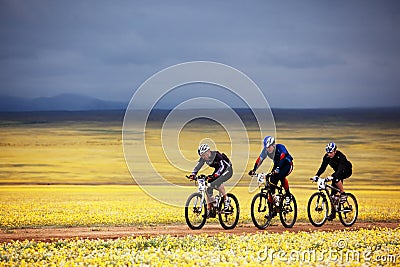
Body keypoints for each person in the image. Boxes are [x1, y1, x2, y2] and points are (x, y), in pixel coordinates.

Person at [248, 136, 293, 217]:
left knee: (281, 176)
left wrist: (278, 168)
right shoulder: (265, 151)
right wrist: (254, 170)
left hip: (287, 164)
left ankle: (288, 195)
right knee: (271, 185)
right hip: (277, 165)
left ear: (273, 145)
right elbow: (260, 160)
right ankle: (272, 211)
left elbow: (283, 157)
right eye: (267, 147)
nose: (268, 149)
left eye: (269, 147)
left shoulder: (280, 147)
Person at [188, 144, 233, 218]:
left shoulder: (216, 155)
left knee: (217, 182)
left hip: (227, 169)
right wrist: (193, 174)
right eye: (201, 155)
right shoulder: (203, 158)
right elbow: (198, 166)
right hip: (218, 170)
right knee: (208, 187)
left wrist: (215, 175)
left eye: (204, 155)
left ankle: (226, 199)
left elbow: (222, 166)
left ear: (208, 151)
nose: (203, 157)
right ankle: (210, 209)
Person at [312, 142, 352, 220]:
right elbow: (323, 167)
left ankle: (343, 194)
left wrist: (332, 177)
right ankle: (333, 214)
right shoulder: (327, 157)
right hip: (337, 171)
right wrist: (316, 176)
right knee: (332, 195)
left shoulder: (341, 156)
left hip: (346, 170)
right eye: (328, 152)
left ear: (335, 151)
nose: (329, 154)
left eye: (330, 152)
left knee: (336, 179)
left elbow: (340, 170)